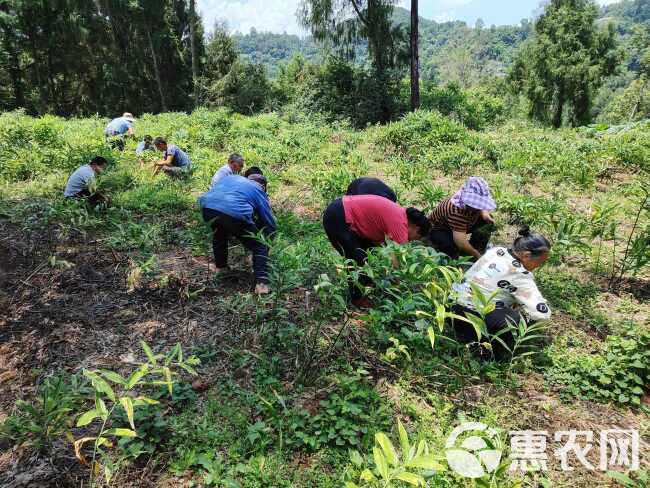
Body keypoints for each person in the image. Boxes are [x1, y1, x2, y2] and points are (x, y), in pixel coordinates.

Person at [451, 226, 552, 360]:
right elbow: (542, 314)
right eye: (540, 262)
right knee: (515, 319)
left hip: (451, 307)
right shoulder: (520, 275)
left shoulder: (497, 251)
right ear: (526, 255)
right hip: (472, 321)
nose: (539, 266)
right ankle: (491, 353)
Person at [323, 194, 430, 308]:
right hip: (339, 215)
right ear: (416, 228)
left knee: (366, 256)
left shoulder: (398, 213)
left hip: (339, 210)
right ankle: (358, 299)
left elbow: (380, 247)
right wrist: (398, 289)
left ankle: (365, 288)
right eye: (417, 237)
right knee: (358, 260)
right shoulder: (400, 224)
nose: (412, 240)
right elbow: (397, 263)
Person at [198, 173, 276, 295]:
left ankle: (221, 268)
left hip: (208, 206)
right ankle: (262, 285)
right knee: (260, 245)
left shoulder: (232, 178)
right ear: (263, 186)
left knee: (219, 235)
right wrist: (269, 241)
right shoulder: (258, 190)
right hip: (234, 212)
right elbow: (268, 220)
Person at [429, 177, 496, 260]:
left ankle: (476, 246)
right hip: (441, 229)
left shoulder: (470, 199)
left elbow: (482, 205)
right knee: (450, 246)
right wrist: (477, 255)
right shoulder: (456, 211)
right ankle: (455, 260)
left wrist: (485, 214)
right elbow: (461, 242)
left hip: (463, 224)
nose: (477, 206)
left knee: (487, 223)